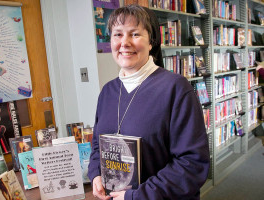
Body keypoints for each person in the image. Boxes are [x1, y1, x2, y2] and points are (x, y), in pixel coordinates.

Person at [88, 5, 210, 200]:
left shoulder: (176, 88)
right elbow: (97, 144)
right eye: (117, 35)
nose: (124, 43)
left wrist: (138, 196)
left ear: (151, 41)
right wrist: (95, 172)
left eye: (135, 34)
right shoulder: (107, 92)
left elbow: (192, 163)